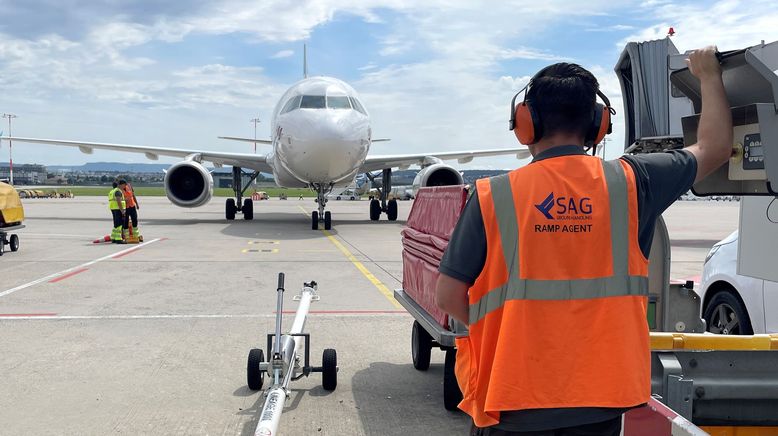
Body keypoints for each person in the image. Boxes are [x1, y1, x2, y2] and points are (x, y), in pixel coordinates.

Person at [435, 47, 732, 436]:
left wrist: (506, 328)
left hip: (513, 397)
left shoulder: (494, 195)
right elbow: (714, 149)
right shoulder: (632, 182)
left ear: (526, 124)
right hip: (600, 400)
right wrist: (709, 76)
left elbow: (447, 296)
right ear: (598, 124)